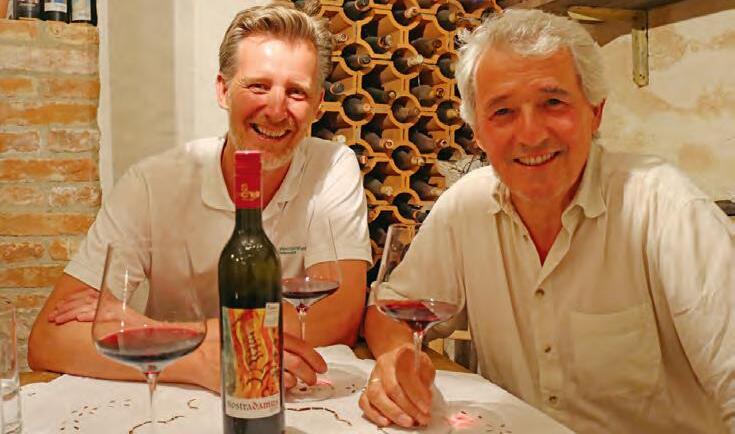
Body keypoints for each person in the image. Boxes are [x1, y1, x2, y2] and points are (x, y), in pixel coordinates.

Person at [360, 9, 735, 434]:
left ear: (595, 113)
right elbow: (391, 309)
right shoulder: (465, 207)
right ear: (477, 133)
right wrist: (396, 359)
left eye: (553, 103)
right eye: (503, 112)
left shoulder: (667, 210)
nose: (531, 134)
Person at [28, 2, 372, 393]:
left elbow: (337, 318)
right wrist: (199, 362)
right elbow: (50, 340)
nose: (276, 110)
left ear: (318, 104)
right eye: (258, 86)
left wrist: (152, 330)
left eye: (296, 92)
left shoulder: (333, 167)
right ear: (223, 90)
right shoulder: (151, 183)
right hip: (174, 394)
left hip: (285, 394)